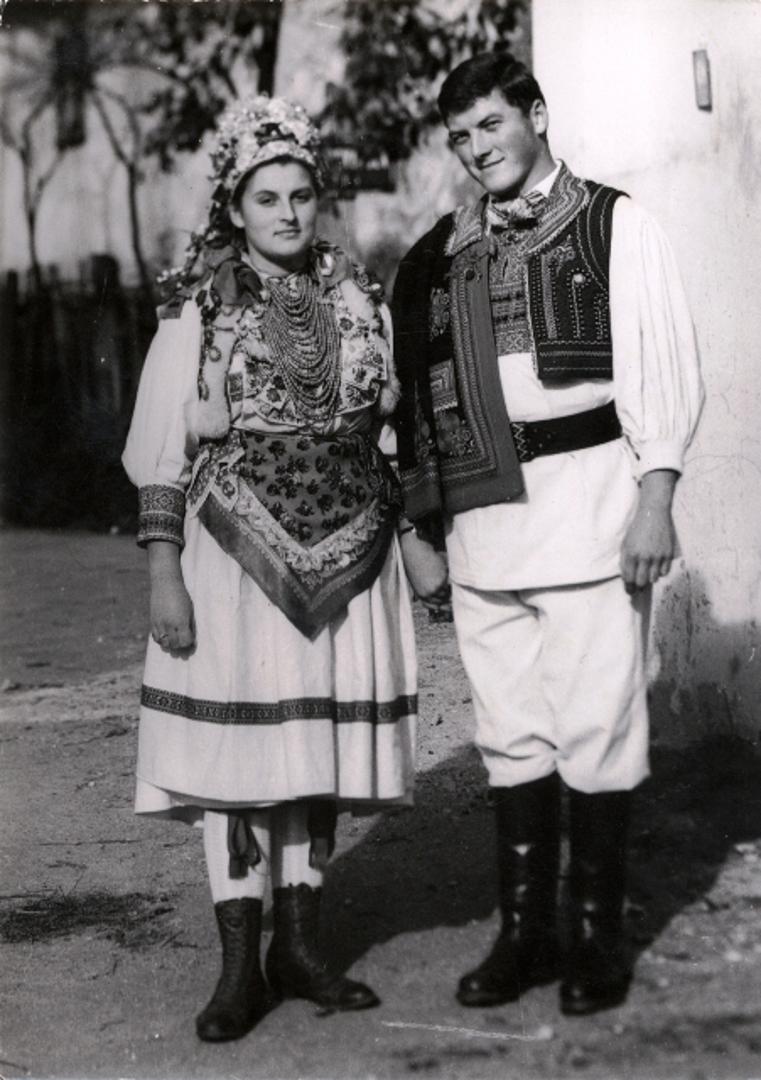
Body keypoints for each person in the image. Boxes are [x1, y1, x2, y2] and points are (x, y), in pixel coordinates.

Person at [392, 52, 703, 1017]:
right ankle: (525, 935)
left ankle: (595, 938)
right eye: (459, 137)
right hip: (485, 523)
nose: (475, 148)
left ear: (534, 113)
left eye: (489, 124)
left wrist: (654, 498)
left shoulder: (614, 222)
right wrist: (419, 523)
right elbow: (410, 399)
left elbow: (661, 364)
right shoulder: (440, 253)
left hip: (591, 511)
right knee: (509, 733)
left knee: (596, 728)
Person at [123, 95, 417, 1042]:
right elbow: (162, 452)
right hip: (233, 564)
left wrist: (411, 540)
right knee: (239, 760)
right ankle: (236, 972)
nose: (287, 214)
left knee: (309, 752)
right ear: (233, 207)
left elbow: (385, 435)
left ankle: (300, 948)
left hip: (347, 563)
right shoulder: (198, 310)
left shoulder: (357, 300)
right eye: (265, 198)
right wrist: (164, 574)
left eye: (299, 195)